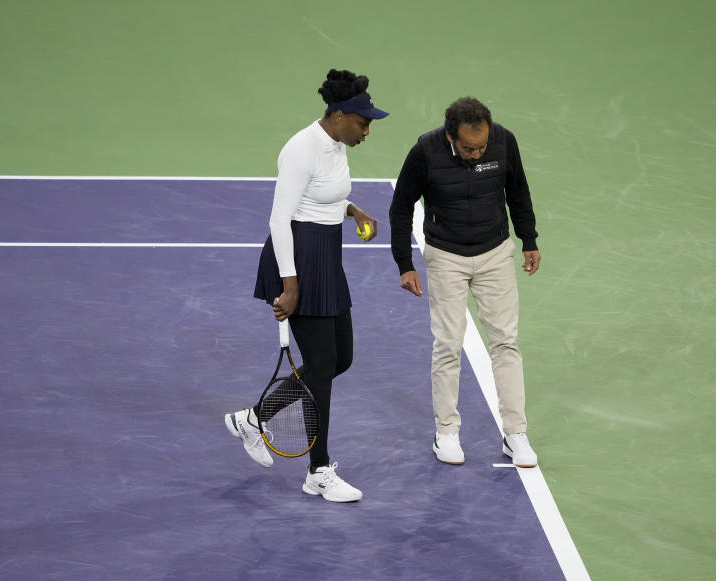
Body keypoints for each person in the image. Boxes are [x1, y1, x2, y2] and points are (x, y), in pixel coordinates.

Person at [224, 69, 388, 502]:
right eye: (363, 122)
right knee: (321, 370)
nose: (367, 130)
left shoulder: (336, 143)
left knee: (339, 360)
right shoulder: (301, 148)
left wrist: (354, 211)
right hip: (297, 261)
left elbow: (323, 194)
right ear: (338, 115)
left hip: (326, 257)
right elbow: (280, 218)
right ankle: (318, 470)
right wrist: (291, 286)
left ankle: (254, 419)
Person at [388, 96, 540, 468]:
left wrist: (529, 239)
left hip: (495, 253)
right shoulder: (425, 151)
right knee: (448, 344)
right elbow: (401, 207)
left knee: (505, 341)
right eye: (469, 148)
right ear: (450, 136)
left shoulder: (504, 141)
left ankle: (515, 434)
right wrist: (404, 264)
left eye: (481, 147)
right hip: (446, 257)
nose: (476, 153)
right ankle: (447, 432)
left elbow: (518, 192)